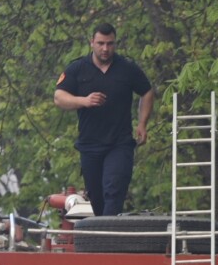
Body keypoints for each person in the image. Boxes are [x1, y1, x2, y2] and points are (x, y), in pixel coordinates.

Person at [54, 22, 154, 216]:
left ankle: (109, 237)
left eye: (110, 43)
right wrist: (84, 100)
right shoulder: (77, 68)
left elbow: (147, 92)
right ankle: (102, 232)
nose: (105, 48)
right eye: (101, 43)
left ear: (115, 43)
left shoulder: (127, 68)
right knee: (97, 197)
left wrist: (142, 123)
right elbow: (59, 97)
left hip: (120, 142)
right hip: (90, 144)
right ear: (92, 42)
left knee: (114, 188)